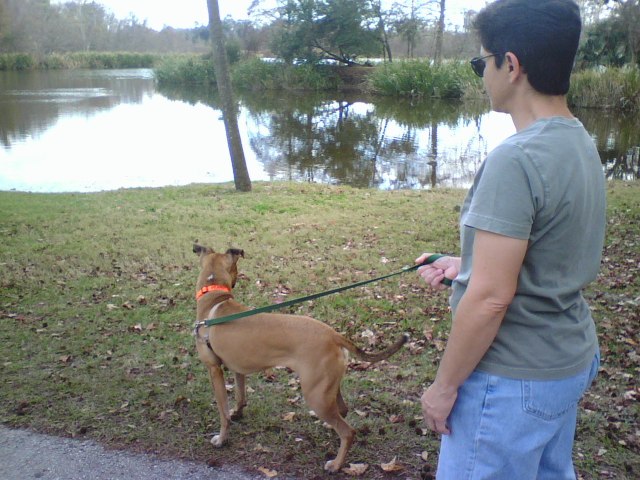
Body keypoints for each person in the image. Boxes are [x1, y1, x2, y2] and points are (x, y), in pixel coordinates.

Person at [415, 0, 606, 478]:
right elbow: (551, 248)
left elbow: (490, 299)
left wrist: (443, 387)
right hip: (566, 362)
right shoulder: (579, 140)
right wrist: (469, 265)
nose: (482, 74)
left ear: (512, 65)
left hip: (510, 381)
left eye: (482, 62)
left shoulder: (516, 159)